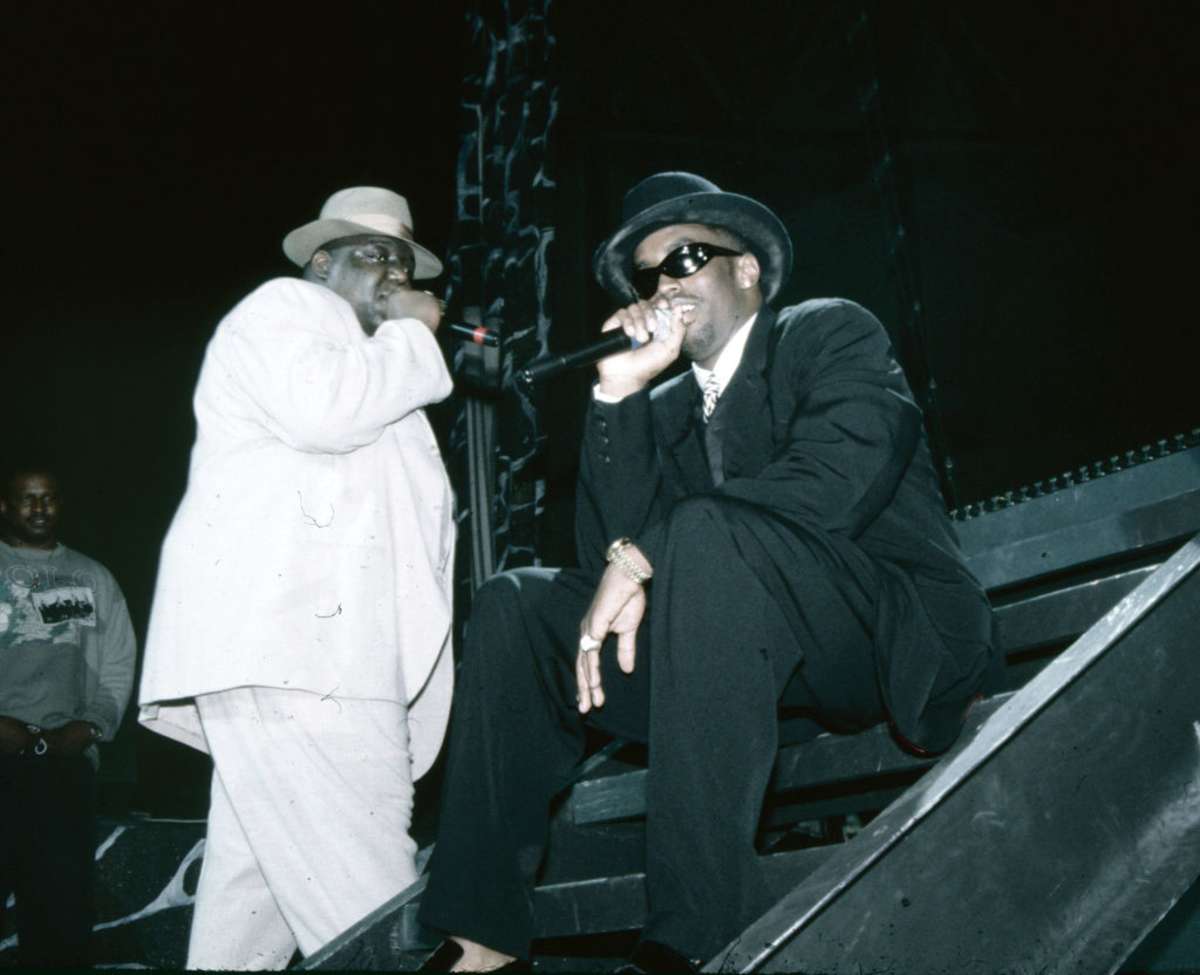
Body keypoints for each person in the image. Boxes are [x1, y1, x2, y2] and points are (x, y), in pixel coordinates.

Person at [416, 172, 994, 973]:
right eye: (649, 276)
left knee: (703, 530)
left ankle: (691, 935)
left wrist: (652, 549)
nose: (665, 287)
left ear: (747, 268)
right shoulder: (662, 409)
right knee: (519, 603)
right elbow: (605, 567)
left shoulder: (827, 333)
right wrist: (618, 394)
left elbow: (840, 472)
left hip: (870, 629)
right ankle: (480, 938)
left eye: (686, 258)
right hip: (734, 671)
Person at [138, 186, 457, 969]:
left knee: (243, 927)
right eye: (372, 254)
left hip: (305, 666)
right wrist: (414, 338)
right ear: (322, 263)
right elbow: (324, 411)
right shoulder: (288, 309)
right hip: (305, 664)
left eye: (403, 261)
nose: (392, 274)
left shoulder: (375, 369)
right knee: (378, 909)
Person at [0, 466, 137, 968]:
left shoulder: (91, 576)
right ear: (4, 506)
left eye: (50, 499)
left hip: (62, 765)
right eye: (27, 499)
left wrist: (91, 726)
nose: (39, 509)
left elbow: (118, 661)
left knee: (59, 917)